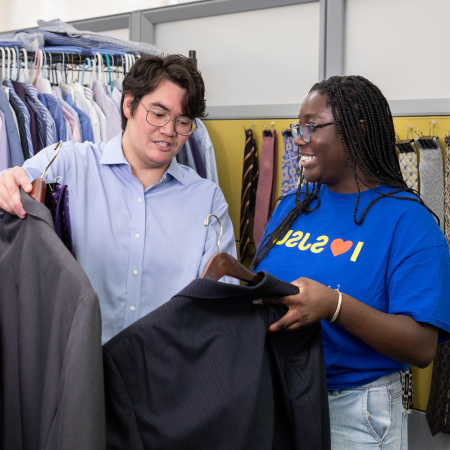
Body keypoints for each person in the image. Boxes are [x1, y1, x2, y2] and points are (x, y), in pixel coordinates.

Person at [252, 75, 450, 449]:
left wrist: (333, 305)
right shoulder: (291, 208)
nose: (299, 138)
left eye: (312, 126)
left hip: (353, 412)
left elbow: (422, 347)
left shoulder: (408, 222)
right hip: (275, 396)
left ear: (357, 131)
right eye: (299, 127)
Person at [0, 54, 237, 344]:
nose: (169, 131)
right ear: (128, 105)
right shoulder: (62, 165)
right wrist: (5, 185)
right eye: (159, 114)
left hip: (167, 376)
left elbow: (223, 303)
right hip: (78, 369)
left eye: (183, 121)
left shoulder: (207, 200)